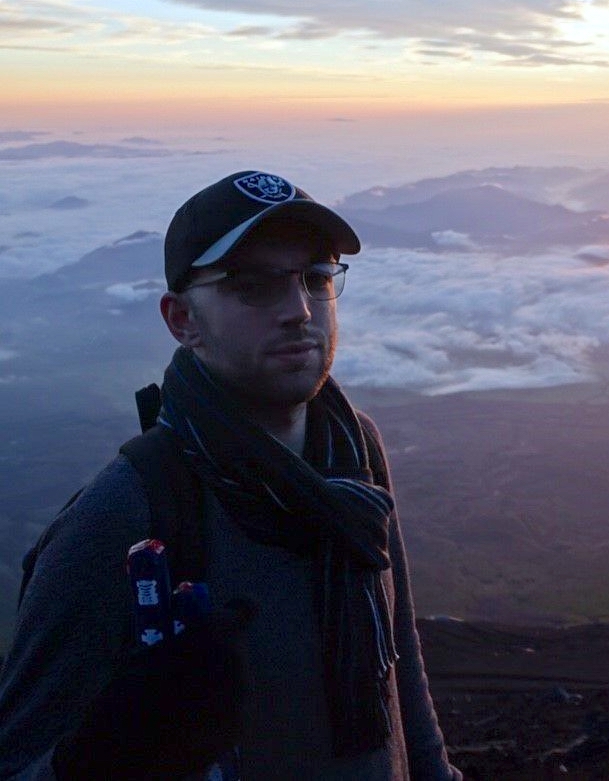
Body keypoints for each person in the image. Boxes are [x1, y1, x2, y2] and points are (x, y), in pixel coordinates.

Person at [0, 170, 461, 780]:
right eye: (252, 285)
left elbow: (399, 675)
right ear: (182, 321)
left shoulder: (356, 454)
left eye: (316, 279)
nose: (300, 310)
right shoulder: (125, 514)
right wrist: (100, 759)